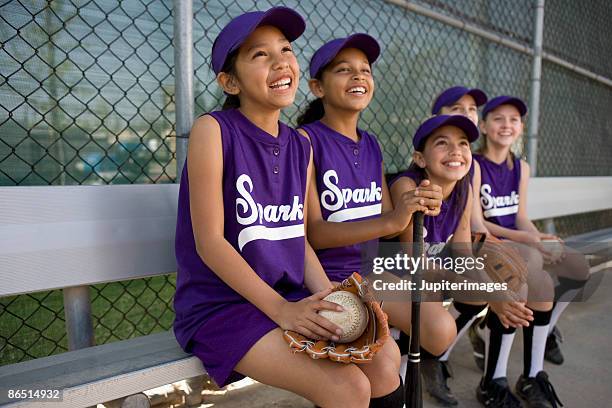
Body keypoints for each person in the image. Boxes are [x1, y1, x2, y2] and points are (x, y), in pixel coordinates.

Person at [172, 8, 387, 407]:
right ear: (229, 81)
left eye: (285, 49)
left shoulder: (300, 145)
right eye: (259, 54)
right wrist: (282, 310)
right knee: (349, 387)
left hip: (285, 296)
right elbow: (210, 243)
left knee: (382, 359)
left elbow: (297, 237)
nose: (279, 61)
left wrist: (330, 295)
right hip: (222, 307)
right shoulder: (214, 131)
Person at [297, 34, 445, 407]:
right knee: (384, 362)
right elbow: (312, 233)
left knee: (439, 330)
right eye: (343, 70)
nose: (357, 75)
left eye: (364, 69)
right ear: (317, 87)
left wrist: (417, 206)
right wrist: (393, 219)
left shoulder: (372, 143)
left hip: (368, 270)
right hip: (323, 275)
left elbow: (388, 221)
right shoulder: (307, 140)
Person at [472, 95, 588, 407]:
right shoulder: (476, 165)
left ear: (522, 127)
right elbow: (479, 225)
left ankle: (542, 338)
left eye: (513, 119)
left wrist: (540, 237)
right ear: (483, 126)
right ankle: (493, 380)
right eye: (498, 118)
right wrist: (530, 240)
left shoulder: (521, 167)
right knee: (529, 274)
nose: (506, 125)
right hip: (488, 245)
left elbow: (521, 215)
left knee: (576, 265)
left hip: (519, 241)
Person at [389, 114, 493, 406]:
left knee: (482, 292)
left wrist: (496, 292)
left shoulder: (462, 188)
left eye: (463, 143)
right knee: (433, 293)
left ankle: (433, 358)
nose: (456, 150)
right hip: (387, 278)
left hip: (424, 280)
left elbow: (461, 251)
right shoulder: (408, 186)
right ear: (420, 158)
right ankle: (404, 380)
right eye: (442, 143)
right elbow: (414, 261)